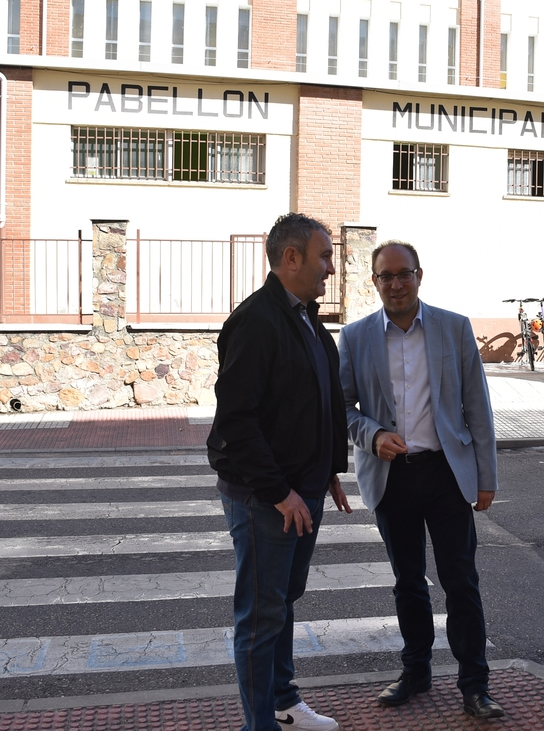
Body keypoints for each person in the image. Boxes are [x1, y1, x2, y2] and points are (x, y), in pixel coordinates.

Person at [338, 241, 505, 719]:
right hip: (393, 478)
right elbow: (342, 407)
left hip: (447, 475)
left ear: (419, 276)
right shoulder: (355, 337)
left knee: (461, 581)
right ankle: (415, 673)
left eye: (403, 274)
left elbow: (478, 407)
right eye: (385, 276)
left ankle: (475, 684)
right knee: (408, 582)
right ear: (374, 282)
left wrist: (485, 478)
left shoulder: (454, 328)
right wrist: (372, 435)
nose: (395, 284)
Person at [207, 212, 354, 731]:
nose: (332, 268)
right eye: (324, 256)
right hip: (265, 496)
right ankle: (260, 725)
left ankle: (285, 704)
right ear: (290, 258)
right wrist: (279, 491)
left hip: (303, 486)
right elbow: (237, 421)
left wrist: (327, 468)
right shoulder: (256, 320)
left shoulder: (304, 316)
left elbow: (311, 400)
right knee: (261, 614)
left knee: (283, 602)